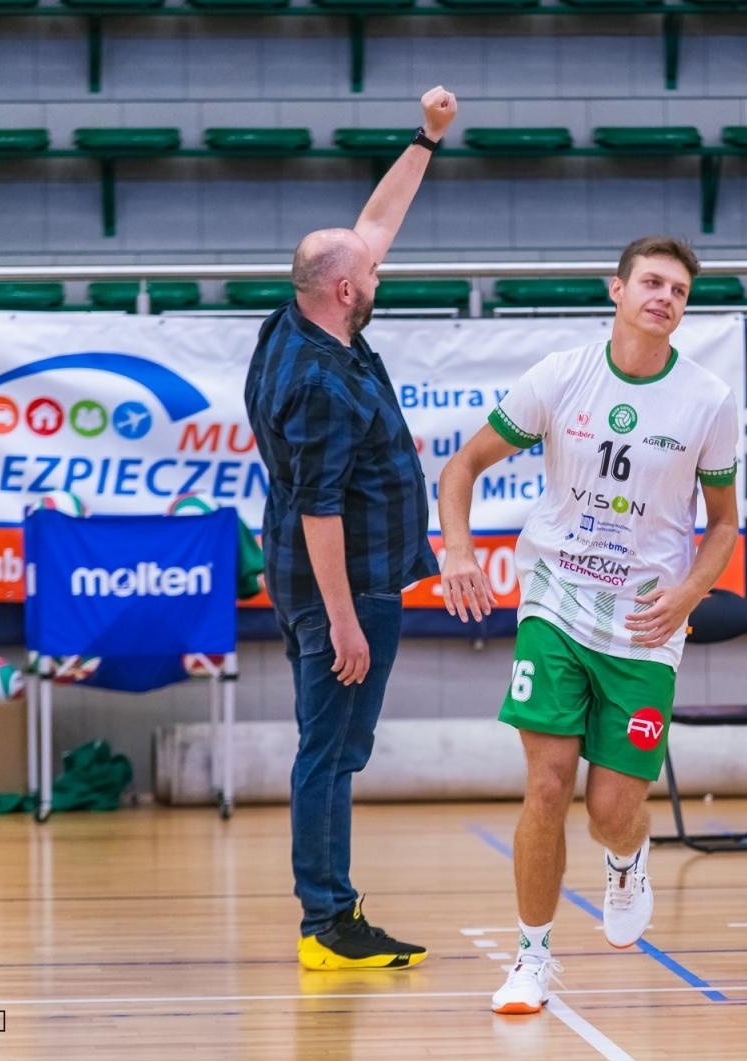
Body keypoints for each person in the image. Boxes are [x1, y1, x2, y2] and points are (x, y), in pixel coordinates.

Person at [437, 235, 741, 1015]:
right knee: (546, 784)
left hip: (645, 619)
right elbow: (461, 467)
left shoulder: (707, 399)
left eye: (678, 289)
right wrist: (460, 552)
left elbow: (723, 523)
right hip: (557, 600)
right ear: (616, 289)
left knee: (610, 809)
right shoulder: (561, 376)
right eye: (651, 281)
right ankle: (531, 958)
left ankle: (627, 854)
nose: (664, 296)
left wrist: (689, 596)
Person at [244, 87, 457, 971]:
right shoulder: (321, 383)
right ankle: (327, 920)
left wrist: (427, 140)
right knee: (328, 751)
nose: (378, 275)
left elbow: (372, 224)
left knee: (338, 746)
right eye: (367, 276)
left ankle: (330, 906)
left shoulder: (298, 320)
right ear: (343, 291)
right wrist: (342, 621)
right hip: (343, 586)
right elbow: (319, 507)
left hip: (337, 575)